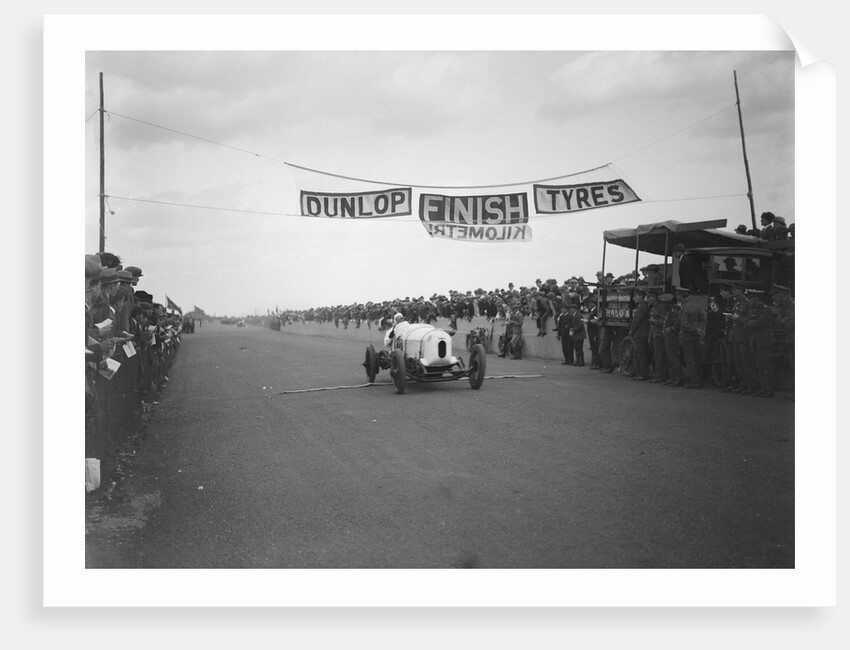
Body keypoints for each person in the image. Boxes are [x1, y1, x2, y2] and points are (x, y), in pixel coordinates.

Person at [744, 288, 776, 397]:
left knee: (765, 367)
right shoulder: (754, 310)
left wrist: (750, 323)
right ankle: (763, 388)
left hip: (764, 341)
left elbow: (757, 323)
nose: (749, 300)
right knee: (759, 367)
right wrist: (750, 323)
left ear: (756, 299)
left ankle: (769, 389)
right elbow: (748, 321)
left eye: (751, 298)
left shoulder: (766, 310)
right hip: (756, 341)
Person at [728, 283, 757, 394]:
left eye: (736, 289)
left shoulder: (747, 303)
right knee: (738, 363)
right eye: (733, 289)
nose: (733, 291)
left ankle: (751, 385)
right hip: (735, 336)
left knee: (746, 363)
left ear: (742, 290)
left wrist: (738, 318)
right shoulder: (737, 303)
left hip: (743, 336)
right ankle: (742, 384)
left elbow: (749, 319)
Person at [677, 287, 705, 388]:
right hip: (696, 336)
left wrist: (693, 329)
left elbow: (684, 325)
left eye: (678, 295)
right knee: (697, 359)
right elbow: (702, 319)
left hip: (687, 336)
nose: (677, 297)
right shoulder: (695, 306)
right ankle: (700, 380)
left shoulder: (684, 308)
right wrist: (699, 329)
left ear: (681, 296)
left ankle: (695, 381)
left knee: (690, 360)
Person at [662, 293, 683, 387]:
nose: (663, 305)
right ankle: (672, 378)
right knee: (670, 359)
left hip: (673, 338)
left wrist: (670, 329)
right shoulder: (669, 312)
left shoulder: (673, 312)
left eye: (664, 303)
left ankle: (678, 379)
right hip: (668, 338)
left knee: (674, 359)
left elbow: (677, 324)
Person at [628, 288, 650, 380]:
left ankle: (642, 374)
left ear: (641, 297)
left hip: (641, 333)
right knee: (639, 353)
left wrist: (631, 331)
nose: (634, 298)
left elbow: (637, 321)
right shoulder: (642, 306)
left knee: (640, 354)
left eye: (636, 296)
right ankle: (640, 373)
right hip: (641, 333)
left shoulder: (642, 307)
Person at [648, 289, 669, 383]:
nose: (647, 299)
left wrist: (655, 321)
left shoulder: (660, 308)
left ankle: (659, 376)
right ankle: (660, 375)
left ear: (654, 298)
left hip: (659, 334)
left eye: (649, 297)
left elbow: (664, 321)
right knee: (657, 356)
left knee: (659, 356)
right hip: (654, 334)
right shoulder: (653, 308)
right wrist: (649, 336)